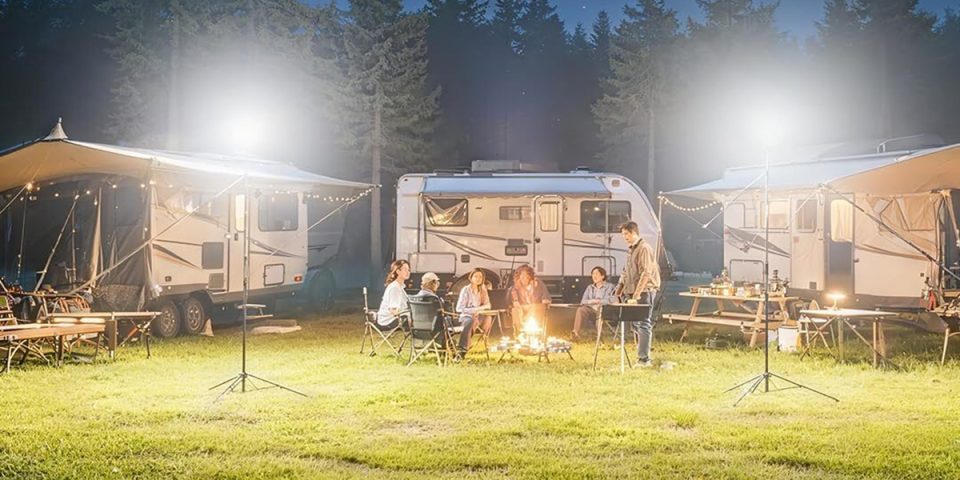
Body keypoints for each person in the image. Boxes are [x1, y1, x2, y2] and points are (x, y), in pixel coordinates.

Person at [615, 221, 661, 367]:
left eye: (626, 234)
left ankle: (644, 359)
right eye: (623, 234)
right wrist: (620, 287)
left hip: (645, 291)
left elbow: (646, 272)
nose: (624, 237)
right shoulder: (631, 249)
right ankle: (640, 355)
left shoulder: (644, 248)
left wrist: (636, 295)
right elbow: (626, 270)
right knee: (636, 324)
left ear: (634, 232)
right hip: (631, 290)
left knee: (643, 323)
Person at [571, 266, 615, 340]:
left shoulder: (610, 287)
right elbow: (583, 301)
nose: (594, 276)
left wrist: (599, 301)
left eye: (596, 274)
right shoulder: (589, 287)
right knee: (581, 309)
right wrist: (590, 301)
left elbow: (611, 300)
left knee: (600, 312)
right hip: (592, 309)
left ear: (602, 276)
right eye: (593, 274)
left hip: (604, 309)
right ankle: (575, 333)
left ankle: (599, 338)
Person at [455, 268, 491, 356]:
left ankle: (481, 340)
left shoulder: (483, 290)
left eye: (480, 277)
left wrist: (478, 310)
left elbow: (488, 305)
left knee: (488, 317)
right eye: (476, 276)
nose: (478, 278)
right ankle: (463, 348)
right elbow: (459, 308)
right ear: (471, 278)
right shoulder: (466, 290)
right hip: (466, 317)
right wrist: (475, 310)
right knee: (472, 320)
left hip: (478, 316)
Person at [508, 264, 551, 331]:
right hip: (524, 307)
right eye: (521, 276)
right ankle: (519, 332)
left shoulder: (538, 283)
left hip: (537, 307)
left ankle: (527, 328)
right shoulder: (517, 285)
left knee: (534, 307)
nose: (524, 278)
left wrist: (544, 302)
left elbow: (546, 299)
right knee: (515, 310)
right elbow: (514, 296)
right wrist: (516, 302)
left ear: (530, 276)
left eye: (526, 276)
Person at [377, 260, 411, 330]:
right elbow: (393, 310)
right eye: (405, 269)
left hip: (391, 319)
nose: (408, 272)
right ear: (398, 271)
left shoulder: (399, 286)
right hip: (388, 321)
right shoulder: (395, 288)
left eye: (409, 270)